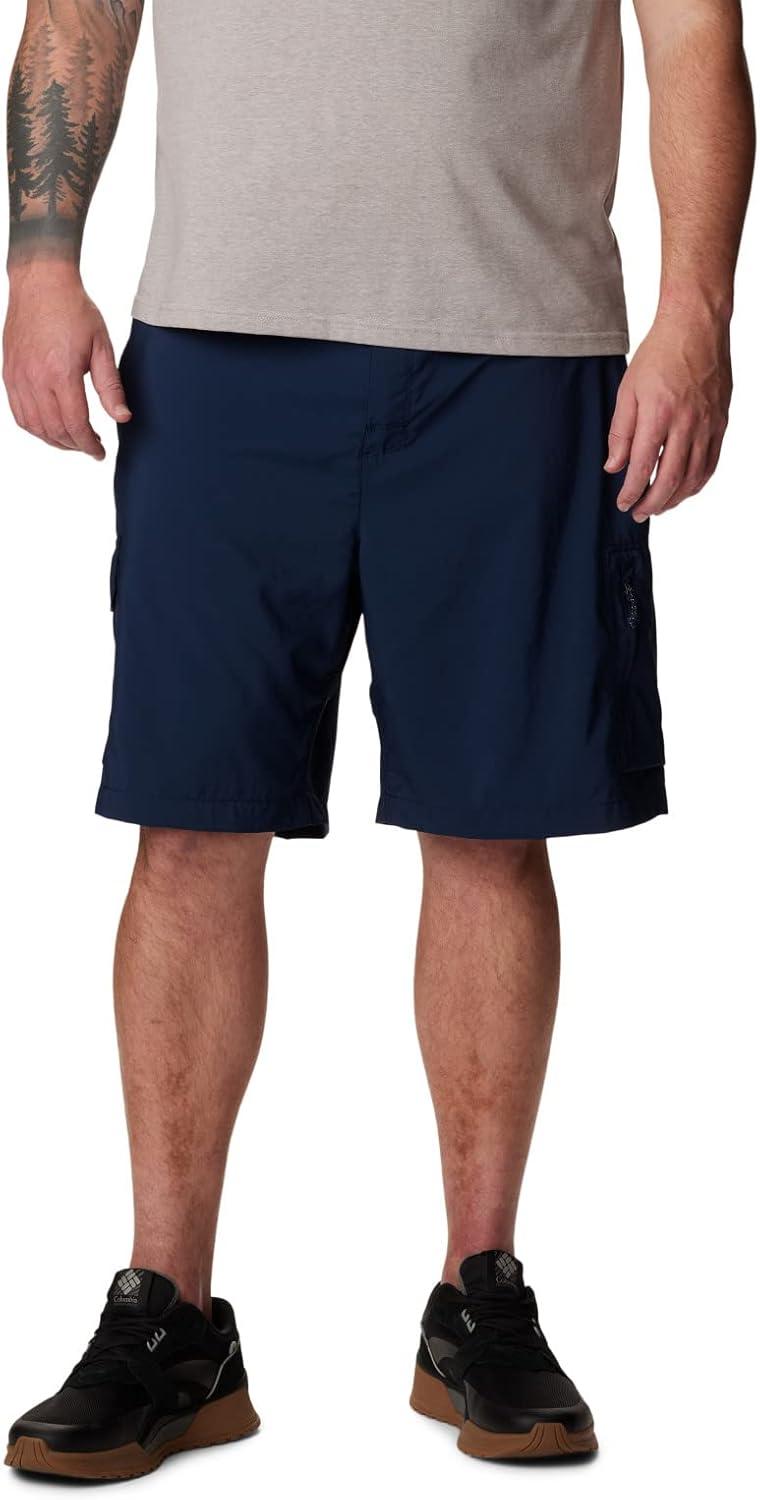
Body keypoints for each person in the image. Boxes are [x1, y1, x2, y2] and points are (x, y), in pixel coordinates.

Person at [3, 0, 754, 1479]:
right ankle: (171, 1318)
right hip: (218, 345)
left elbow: (691, 31)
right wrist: (39, 260)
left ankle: (478, 1296)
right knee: (189, 821)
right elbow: (85, 5)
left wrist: (697, 309)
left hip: (517, 343)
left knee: (492, 826)